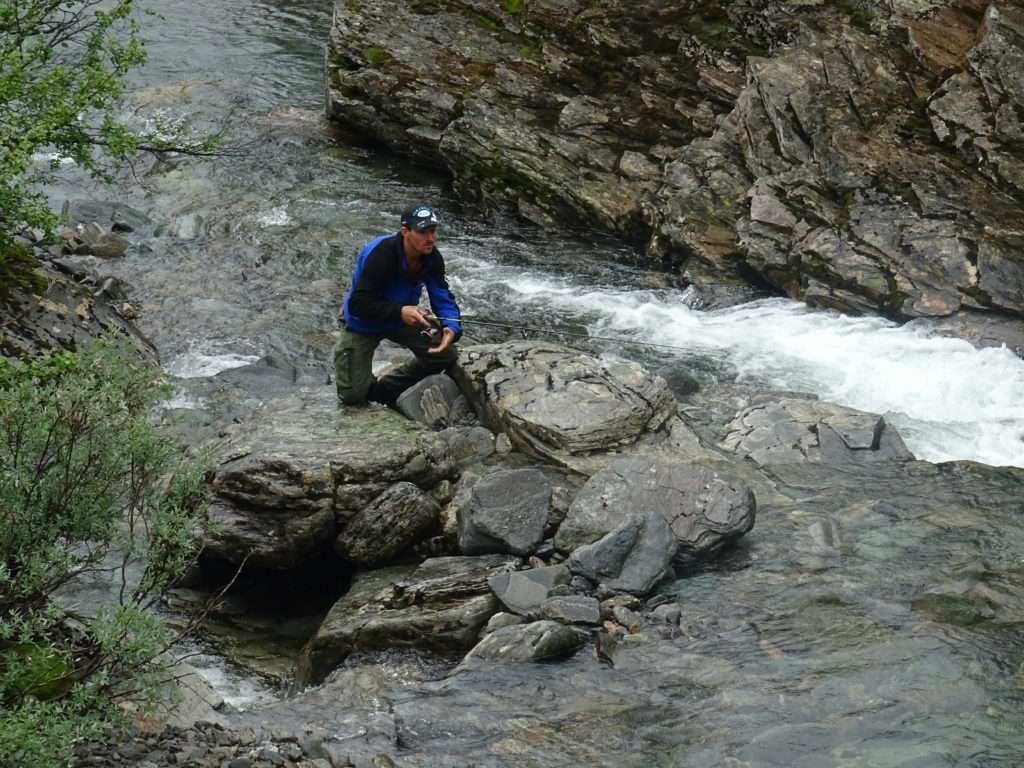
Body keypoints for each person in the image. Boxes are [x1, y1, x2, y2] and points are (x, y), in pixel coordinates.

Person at [335, 204, 462, 407]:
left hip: (402, 316)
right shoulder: (381, 255)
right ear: (405, 232)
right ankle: (365, 385)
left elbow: (442, 296)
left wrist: (451, 327)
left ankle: (385, 389)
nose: (430, 238)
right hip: (363, 321)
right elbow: (358, 304)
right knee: (352, 397)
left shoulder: (432, 257)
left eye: (433, 231)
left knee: (445, 355)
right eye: (422, 232)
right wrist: (400, 311)